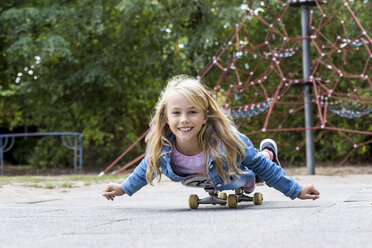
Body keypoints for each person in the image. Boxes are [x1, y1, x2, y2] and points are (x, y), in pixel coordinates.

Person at [103, 75, 319, 202]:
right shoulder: (163, 147)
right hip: (211, 179)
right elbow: (146, 168)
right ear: (166, 118)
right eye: (176, 113)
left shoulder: (229, 139)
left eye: (193, 112)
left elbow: (260, 165)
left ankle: (268, 152)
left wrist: (296, 191)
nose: (184, 120)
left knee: (254, 170)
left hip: (238, 173)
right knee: (249, 171)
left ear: (205, 116)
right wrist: (123, 188)